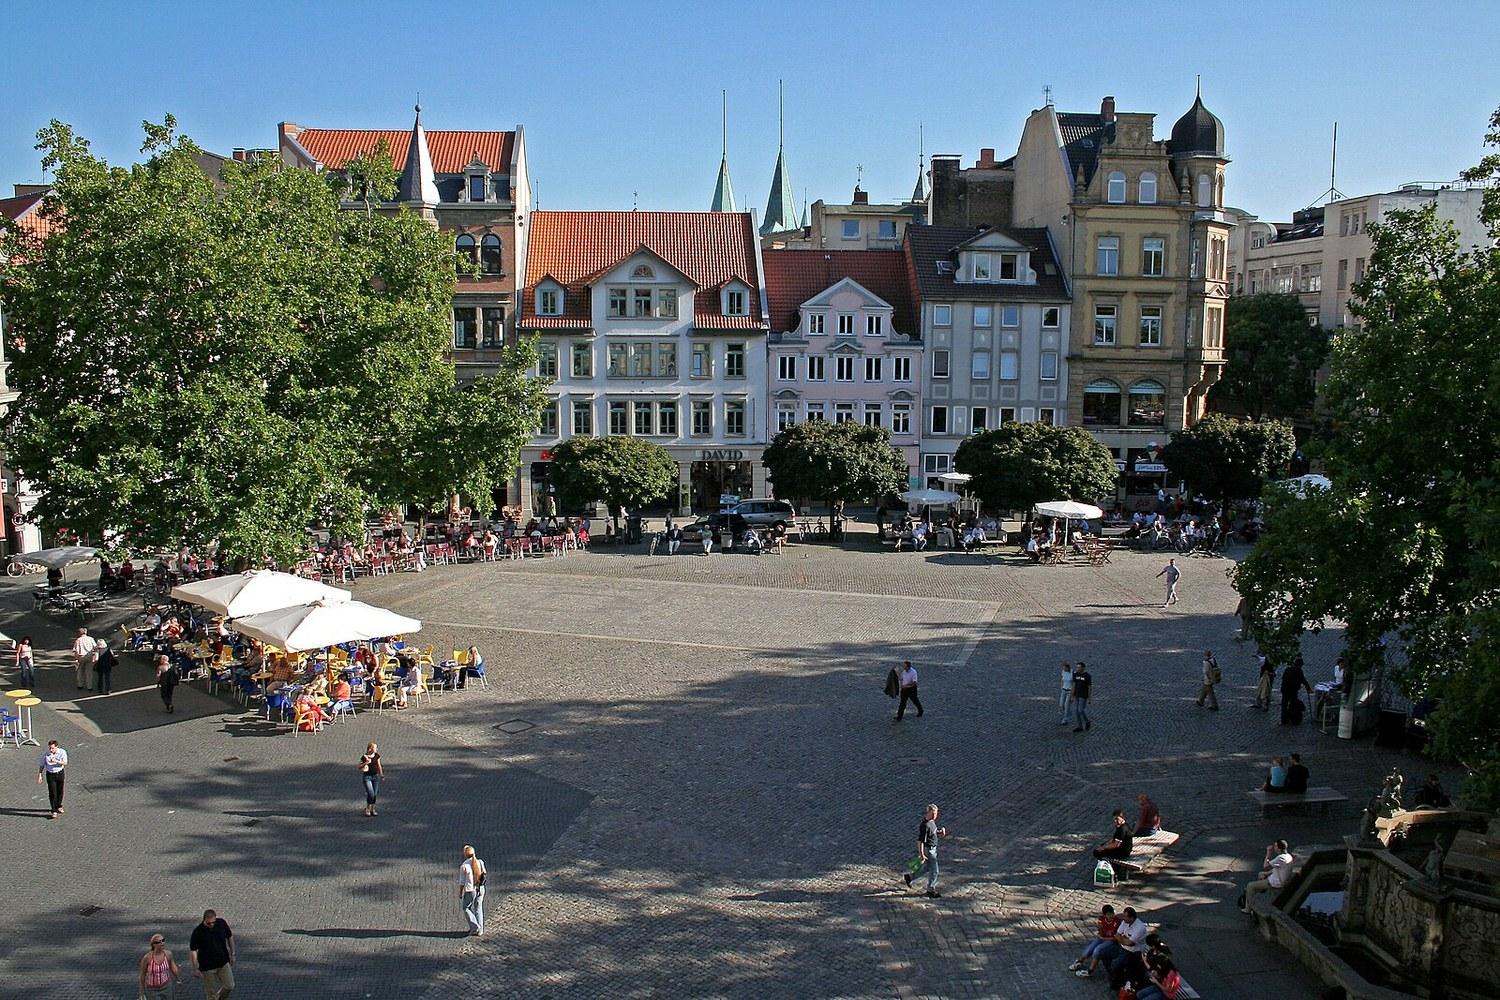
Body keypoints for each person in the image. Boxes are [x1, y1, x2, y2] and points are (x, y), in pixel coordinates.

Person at [1096, 906, 1150, 989]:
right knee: (1103, 954)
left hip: (1133, 952)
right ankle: (1114, 975)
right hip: (1121, 947)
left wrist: (1122, 939)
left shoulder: (1140, 928)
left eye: (1125, 916)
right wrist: (1124, 939)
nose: (1123, 918)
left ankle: (1115, 983)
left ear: (1131, 918)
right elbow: (1117, 935)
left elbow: (1130, 943)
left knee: (1116, 964)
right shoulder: (1125, 922)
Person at [903, 803, 948, 898]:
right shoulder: (925, 825)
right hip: (930, 850)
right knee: (935, 871)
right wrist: (922, 854)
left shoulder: (932, 822)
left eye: (936, 813)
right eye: (933, 813)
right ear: (928, 813)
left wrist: (940, 832)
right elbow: (920, 842)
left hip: (933, 849)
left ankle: (910, 877)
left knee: (926, 868)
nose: (935, 816)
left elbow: (934, 833)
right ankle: (930, 889)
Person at [189, 909, 235, 999]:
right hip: (207, 967)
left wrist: (232, 954)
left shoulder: (221, 923)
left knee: (230, 985)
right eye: (209, 923)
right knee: (211, 994)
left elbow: (229, 936)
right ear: (204, 920)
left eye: (213, 922)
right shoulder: (198, 932)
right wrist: (194, 968)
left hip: (223, 962)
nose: (211, 925)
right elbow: (193, 950)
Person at [1240, 840, 1295, 913]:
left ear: (1279, 849)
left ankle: (1248, 908)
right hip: (1281, 879)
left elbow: (1265, 866)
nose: (1273, 847)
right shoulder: (1288, 856)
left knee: (1250, 886)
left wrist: (1268, 853)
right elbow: (1277, 868)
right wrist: (1267, 873)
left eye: (1275, 846)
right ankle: (1258, 890)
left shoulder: (1280, 858)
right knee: (1261, 874)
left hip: (1276, 883)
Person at [1068, 903, 1120, 977]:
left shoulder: (1117, 922)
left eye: (1112, 913)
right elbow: (1101, 933)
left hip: (1112, 941)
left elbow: (1116, 938)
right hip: (1102, 938)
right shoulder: (1101, 920)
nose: (1111, 916)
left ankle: (1090, 970)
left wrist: (1104, 938)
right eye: (1109, 914)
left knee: (1098, 950)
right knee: (1090, 949)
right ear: (1105, 915)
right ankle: (1079, 961)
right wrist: (1100, 928)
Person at [138, 932, 181, 1000]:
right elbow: (142, 975)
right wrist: (141, 993)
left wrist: (178, 978)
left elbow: (173, 967)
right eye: (159, 942)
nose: (162, 943)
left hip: (166, 986)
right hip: (152, 990)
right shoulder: (147, 958)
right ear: (153, 945)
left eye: (163, 940)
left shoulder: (168, 954)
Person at [460, 844, 487, 935]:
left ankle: (475, 927)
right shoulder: (480, 862)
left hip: (471, 890)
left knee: (466, 907)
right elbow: (484, 873)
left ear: (465, 854)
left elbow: (462, 882)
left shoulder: (464, 866)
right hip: (481, 888)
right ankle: (481, 929)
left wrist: (460, 892)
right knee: (478, 908)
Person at [37, 739, 67, 818]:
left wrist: (56, 761)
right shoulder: (46, 754)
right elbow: (42, 765)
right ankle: (53, 810)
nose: (51, 750)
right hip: (50, 774)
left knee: (60, 791)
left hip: (60, 773)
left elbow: (65, 763)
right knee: (53, 792)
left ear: (56, 747)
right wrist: (40, 774)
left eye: (52, 748)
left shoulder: (62, 752)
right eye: (49, 748)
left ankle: (59, 806)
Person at [1280, 656, 1313, 725]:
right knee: (1293, 703)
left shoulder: (1287, 669)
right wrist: (1309, 688)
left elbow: (1283, 678)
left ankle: (1284, 720)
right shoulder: (1299, 670)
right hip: (1292, 690)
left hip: (1285, 689)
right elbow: (1303, 680)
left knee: (1284, 704)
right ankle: (1293, 718)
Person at [359, 742, 383, 817]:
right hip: (367, 777)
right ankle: (367, 809)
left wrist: (381, 774)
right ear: (370, 749)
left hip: (375, 777)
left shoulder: (377, 756)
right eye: (375, 748)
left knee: (374, 794)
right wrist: (366, 762)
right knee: (371, 793)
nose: (377, 749)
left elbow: (379, 766)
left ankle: (372, 809)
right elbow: (359, 766)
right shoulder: (365, 757)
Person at [1071, 661, 1092, 732]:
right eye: (1077, 667)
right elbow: (1074, 684)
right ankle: (1080, 726)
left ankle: (1087, 721)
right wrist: (1072, 694)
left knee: (1080, 710)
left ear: (1083, 668)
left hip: (1083, 695)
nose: (1077, 668)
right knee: (1076, 711)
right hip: (1077, 694)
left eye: (1079, 667)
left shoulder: (1087, 676)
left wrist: (1089, 698)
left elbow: (1089, 687)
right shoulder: (1075, 674)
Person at [1057, 661, 1074, 725]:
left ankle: (1065, 719)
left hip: (1069, 691)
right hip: (1063, 690)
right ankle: (1069, 713)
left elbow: (1073, 684)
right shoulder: (1063, 672)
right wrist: (1061, 686)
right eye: (1063, 668)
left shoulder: (1072, 673)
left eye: (1064, 668)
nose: (1063, 669)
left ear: (1067, 668)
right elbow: (1062, 679)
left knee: (1067, 705)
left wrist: (1073, 695)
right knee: (1061, 705)